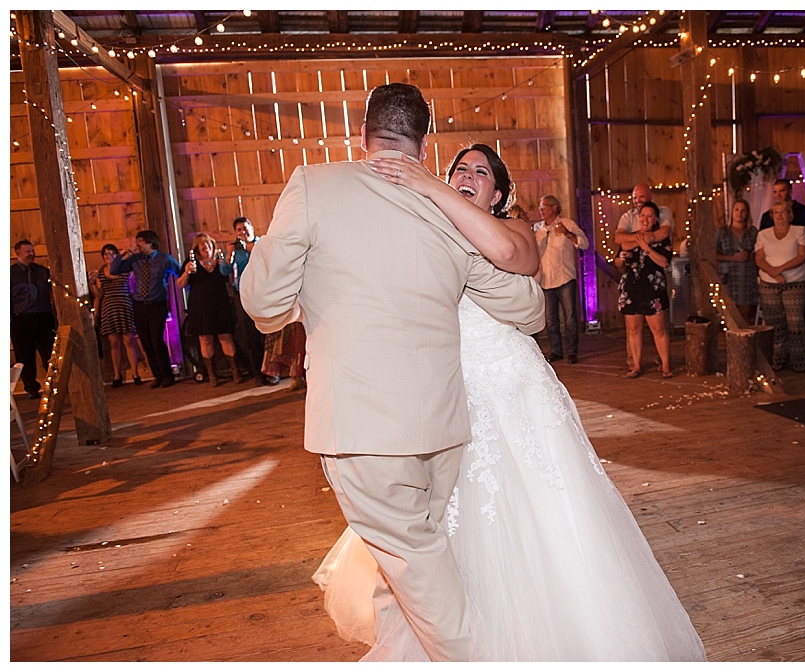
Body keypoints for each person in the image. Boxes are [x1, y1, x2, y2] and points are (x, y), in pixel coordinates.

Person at [316, 143, 706, 661]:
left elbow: (514, 261)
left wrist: (430, 184)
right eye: (460, 169)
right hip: (447, 391)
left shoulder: (517, 231)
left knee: (543, 508)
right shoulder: (424, 230)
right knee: (444, 521)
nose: (468, 176)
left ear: (498, 193)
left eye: (481, 172)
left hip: (511, 385)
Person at [239, 84, 545, 663]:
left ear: (364, 135)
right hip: (443, 425)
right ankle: (400, 653)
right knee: (401, 553)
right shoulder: (447, 209)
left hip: (363, 427)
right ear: (424, 145)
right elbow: (526, 306)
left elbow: (263, 304)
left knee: (413, 558)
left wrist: (306, 289)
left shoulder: (313, 186)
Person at [110, 230, 182, 388]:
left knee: (157, 339)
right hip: (139, 305)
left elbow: (180, 273)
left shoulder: (165, 259)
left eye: (141, 241)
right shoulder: (135, 259)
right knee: (146, 341)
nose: (138, 244)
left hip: (157, 304)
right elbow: (114, 270)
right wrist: (122, 255)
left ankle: (167, 375)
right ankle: (157, 376)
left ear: (150, 243)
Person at [615, 183, 674, 368]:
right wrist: (622, 257)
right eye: (642, 216)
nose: (645, 219)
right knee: (633, 329)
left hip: (653, 287)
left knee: (659, 328)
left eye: (649, 216)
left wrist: (646, 245)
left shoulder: (663, 222)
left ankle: (664, 364)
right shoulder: (629, 226)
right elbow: (619, 249)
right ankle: (636, 365)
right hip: (632, 286)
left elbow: (664, 260)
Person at [177, 233, 243, 387]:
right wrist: (187, 271)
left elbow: (231, 281)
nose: (205, 246)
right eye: (202, 244)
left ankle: (235, 372)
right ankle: (212, 375)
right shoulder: (191, 262)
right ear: (197, 248)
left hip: (220, 303)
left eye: (207, 243)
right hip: (200, 307)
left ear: (213, 245)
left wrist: (229, 266)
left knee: (225, 337)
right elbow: (180, 284)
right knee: (205, 339)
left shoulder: (221, 260)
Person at [754, 201, 805, 373]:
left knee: (795, 322)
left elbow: (802, 256)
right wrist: (773, 273)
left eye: (783, 212)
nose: (780, 215)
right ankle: (777, 357)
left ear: (790, 214)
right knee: (774, 323)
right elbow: (759, 258)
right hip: (769, 283)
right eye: (776, 212)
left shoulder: (800, 231)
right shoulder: (764, 234)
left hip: (795, 282)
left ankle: (799, 359)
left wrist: (781, 269)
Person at [534, 194, 589, 364]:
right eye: (540, 207)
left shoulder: (568, 223)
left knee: (570, 317)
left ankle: (572, 351)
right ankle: (556, 350)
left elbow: (584, 243)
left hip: (565, 278)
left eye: (544, 206)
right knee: (551, 319)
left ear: (554, 207)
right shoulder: (537, 229)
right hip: (546, 280)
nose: (541, 210)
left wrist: (568, 234)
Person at [758, 179, 805, 320]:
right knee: (775, 317)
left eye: (782, 190)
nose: (778, 194)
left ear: (790, 191)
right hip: (771, 276)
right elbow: (760, 251)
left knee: (796, 316)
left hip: (797, 272)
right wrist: (772, 271)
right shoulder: (767, 217)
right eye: (775, 192)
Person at [89, 243, 143, 387]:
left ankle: (135, 374)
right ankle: (117, 375)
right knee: (114, 343)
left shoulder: (125, 270)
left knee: (129, 340)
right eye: (106, 254)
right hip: (109, 309)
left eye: (112, 253)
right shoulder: (101, 272)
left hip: (125, 306)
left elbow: (132, 288)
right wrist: (92, 284)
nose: (109, 256)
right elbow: (99, 295)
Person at [226, 217, 272, 385]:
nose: (242, 232)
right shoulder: (236, 250)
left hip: (263, 293)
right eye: (238, 230)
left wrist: (251, 251)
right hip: (243, 296)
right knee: (249, 335)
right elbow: (225, 270)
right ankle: (257, 372)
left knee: (268, 332)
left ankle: (272, 371)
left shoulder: (263, 245)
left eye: (244, 228)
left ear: (252, 228)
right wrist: (230, 253)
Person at [10, 240, 57, 399]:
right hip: (21, 319)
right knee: (25, 356)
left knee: (49, 353)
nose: (32, 254)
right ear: (18, 253)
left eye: (32, 250)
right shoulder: (10, 274)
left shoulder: (42, 272)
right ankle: (31, 388)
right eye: (27, 251)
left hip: (43, 316)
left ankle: (53, 385)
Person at [715, 198, 759, 325]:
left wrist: (749, 255)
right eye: (737, 210)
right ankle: (731, 343)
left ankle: (745, 342)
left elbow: (761, 252)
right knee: (729, 314)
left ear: (747, 213)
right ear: (732, 212)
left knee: (746, 314)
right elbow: (713, 254)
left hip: (747, 277)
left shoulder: (753, 232)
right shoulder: (722, 232)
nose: (739, 213)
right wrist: (731, 258)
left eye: (743, 210)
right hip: (728, 277)